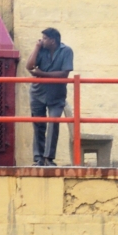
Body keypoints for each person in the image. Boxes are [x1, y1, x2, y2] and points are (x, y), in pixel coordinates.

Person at [25, 28, 74, 166]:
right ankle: (38, 158)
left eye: (45, 38)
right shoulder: (41, 49)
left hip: (56, 95)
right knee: (38, 125)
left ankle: (49, 158)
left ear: (53, 41)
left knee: (53, 122)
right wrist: (36, 47)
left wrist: (41, 74)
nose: (42, 40)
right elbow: (29, 66)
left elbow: (64, 74)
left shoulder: (66, 51)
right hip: (37, 93)